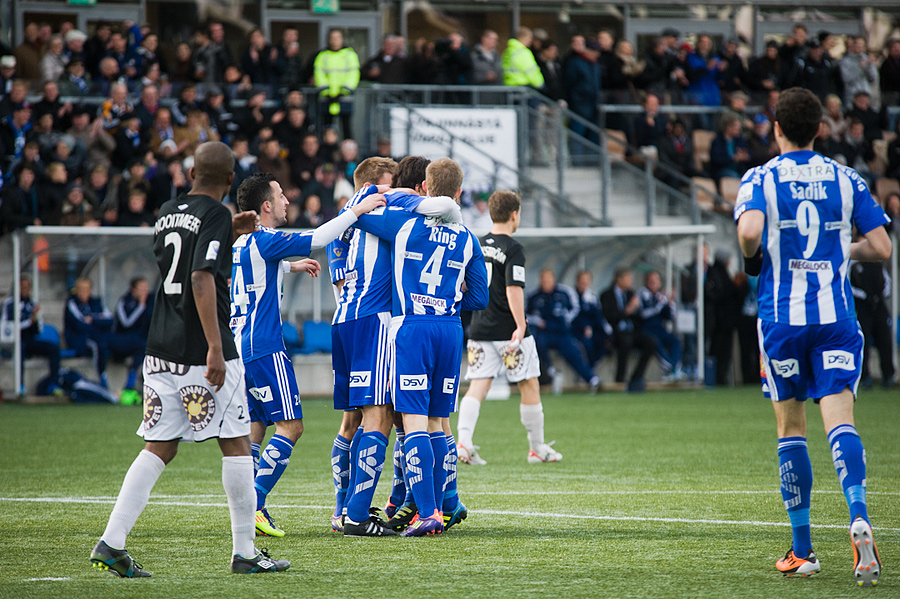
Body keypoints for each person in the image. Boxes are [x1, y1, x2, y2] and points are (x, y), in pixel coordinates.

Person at [90, 141, 290, 577]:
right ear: (230, 177)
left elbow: (183, 258)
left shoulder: (166, 211)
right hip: (203, 349)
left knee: (159, 447)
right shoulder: (215, 214)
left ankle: (111, 541)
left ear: (191, 172)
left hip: (160, 346)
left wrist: (228, 231)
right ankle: (245, 553)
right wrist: (217, 348)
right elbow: (200, 276)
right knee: (237, 443)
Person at [734, 87, 889, 585]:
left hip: (783, 320)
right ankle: (859, 514)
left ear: (775, 127)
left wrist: (753, 256)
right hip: (836, 318)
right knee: (840, 422)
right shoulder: (847, 178)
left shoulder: (761, 177)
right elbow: (883, 246)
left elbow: (750, 233)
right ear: (820, 128)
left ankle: (803, 550)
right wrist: (841, 251)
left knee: (791, 429)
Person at [231, 172, 383, 538]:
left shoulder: (241, 242)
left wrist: (289, 266)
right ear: (266, 206)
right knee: (291, 427)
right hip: (265, 347)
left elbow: (254, 270)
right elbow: (319, 238)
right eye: (281, 196)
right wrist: (356, 210)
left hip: (239, 347)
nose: (287, 201)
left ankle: (252, 507)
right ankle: (255, 498)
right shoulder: (266, 239)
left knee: (255, 427)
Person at [350, 157, 489, 537]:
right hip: (449, 329)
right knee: (438, 423)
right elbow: (479, 296)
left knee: (412, 422)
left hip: (412, 326)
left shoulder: (405, 224)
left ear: (424, 188)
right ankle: (445, 505)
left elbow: (357, 216)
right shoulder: (468, 238)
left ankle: (427, 512)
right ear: (459, 193)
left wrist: (381, 194)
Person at [457, 189, 563, 469]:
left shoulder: (477, 244)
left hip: (480, 328)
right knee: (529, 384)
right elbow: (513, 288)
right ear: (515, 215)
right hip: (508, 331)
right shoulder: (513, 248)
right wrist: (520, 325)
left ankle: (464, 444)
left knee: (477, 386)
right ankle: (537, 448)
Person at [526, 269, 601, 391]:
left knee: (573, 352)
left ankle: (591, 379)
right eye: (543, 280)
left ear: (554, 280)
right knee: (535, 344)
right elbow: (525, 314)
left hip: (561, 331)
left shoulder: (565, 292)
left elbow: (575, 309)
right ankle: (550, 373)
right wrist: (538, 321)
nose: (545, 283)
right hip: (544, 332)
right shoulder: (533, 296)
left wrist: (564, 319)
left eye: (548, 280)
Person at [1, 275, 62, 396]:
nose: (25, 289)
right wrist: (29, 322)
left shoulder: (33, 304)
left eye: (27, 287)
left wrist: (36, 320)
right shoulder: (9, 304)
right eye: (22, 286)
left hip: (29, 340)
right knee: (20, 349)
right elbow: (6, 327)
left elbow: (39, 329)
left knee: (54, 348)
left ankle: (53, 384)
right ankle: (20, 385)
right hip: (13, 342)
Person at [600, 268, 657, 392]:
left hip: (632, 331)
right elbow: (609, 316)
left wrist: (636, 310)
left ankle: (636, 377)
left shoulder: (631, 294)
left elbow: (639, 316)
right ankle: (620, 379)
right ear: (619, 279)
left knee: (651, 343)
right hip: (615, 332)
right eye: (628, 278)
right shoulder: (607, 295)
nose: (631, 281)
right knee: (625, 342)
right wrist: (627, 311)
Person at [850, 259, 895, 388]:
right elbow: (848, 286)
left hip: (879, 308)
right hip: (863, 309)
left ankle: (888, 376)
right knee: (863, 344)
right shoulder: (854, 265)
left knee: (885, 342)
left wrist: (878, 297)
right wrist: (865, 296)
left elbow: (887, 283)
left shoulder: (878, 265)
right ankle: (865, 377)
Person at [109, 277, 153, 405]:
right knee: (142, 345)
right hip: (121, 339)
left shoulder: (151, 301)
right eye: (142, 288)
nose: (145, 291)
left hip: (139, 341)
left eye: (146, 288)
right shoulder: (124, 302)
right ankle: (129, 384)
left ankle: (136, 384)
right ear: (134, 290)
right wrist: (141, 306)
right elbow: (127, 323)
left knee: (145, 346)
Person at [64, 277, 113, 387]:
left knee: (113, 340)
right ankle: (102, 378)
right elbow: (79, 324)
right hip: (78, 339)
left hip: (96, 335)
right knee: (97, 345)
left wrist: (93, 319)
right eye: (81, 289)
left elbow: (110, 320)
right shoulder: (72, 303)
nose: (83, 292)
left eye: (86, 289)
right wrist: (98, 320)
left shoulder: (96, 302)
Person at [314, 30, 360, 138]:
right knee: (326, 128)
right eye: (333, 38)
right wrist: (326, 91)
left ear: (342, 39)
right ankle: (328, 149)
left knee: (346, 127)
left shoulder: (349, 54)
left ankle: (348, 152)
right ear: (329, 40)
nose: (335, 40)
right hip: (327, 98)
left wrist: (345, 90)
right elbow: (319, 74)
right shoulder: (323, 55)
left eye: (337, 37)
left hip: (344, 97)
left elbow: (353, 74)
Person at [637, 271, 682, 380]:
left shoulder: (659, 296)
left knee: (676, 340)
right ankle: (672, 368)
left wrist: (670, 304)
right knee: (656, 343)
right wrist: (660, 304)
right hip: (646, 329)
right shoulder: (642, 294)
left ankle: (674, 368)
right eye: (651, 281)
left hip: (660, 329)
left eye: (656, 281)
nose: (653, 283)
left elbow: (669, 317)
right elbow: (643, 314)